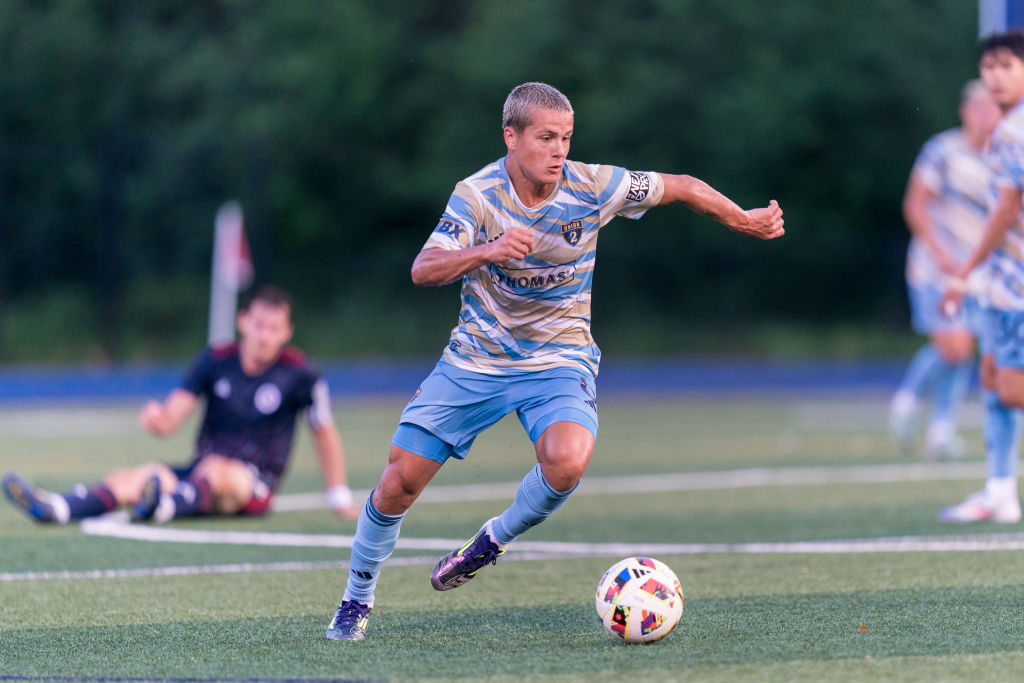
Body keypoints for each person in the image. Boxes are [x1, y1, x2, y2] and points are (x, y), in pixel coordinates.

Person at [324, 82, 785, 641]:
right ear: (511, 137)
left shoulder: (593, 185)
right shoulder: (476, 195)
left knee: (568, 459)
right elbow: (424, 268)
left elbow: (682, 186)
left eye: (566, 137)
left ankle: (491, 541)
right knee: (399, 482)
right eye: (546, 137)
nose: (559, 149)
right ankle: (357, 597)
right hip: (476, 361)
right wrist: (486, 250)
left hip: (559, 359)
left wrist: (742, 218)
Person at [2, 285, 360, 524]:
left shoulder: (301, 374)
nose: (264, 335)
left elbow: (323, 432)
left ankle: (161, 507)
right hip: (202, 471)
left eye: (274, 328)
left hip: (253, 483)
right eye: (259, 325)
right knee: (138, 476)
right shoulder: (214, 360)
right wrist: (159, 420)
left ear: (287, 332)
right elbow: (173, 418)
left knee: (218, 472)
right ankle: (59, 508)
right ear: (242, 322)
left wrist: (339, 494)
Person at [888, 80, 1002, 459]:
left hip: (976, 271)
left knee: (963, 349)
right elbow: (915, 206)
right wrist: (940, 255)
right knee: (953, 346)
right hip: (934, 268)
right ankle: (905, 402)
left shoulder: (1004, 155)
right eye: (979, 107)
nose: (987, 115)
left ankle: (941, 430)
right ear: (965, 111)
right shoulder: (942, 151)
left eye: (993, 107)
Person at [938, 31, 1024, 523]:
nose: (994, 76)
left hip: (1014, 285)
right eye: (988, 67)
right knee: (993, 381)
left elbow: (1006, 210)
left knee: (1010, 388)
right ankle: (1000, 491)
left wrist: (963, 272)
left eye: (1006, 66)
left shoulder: (1013, 132)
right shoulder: (1006, 128)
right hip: (1002, 280)